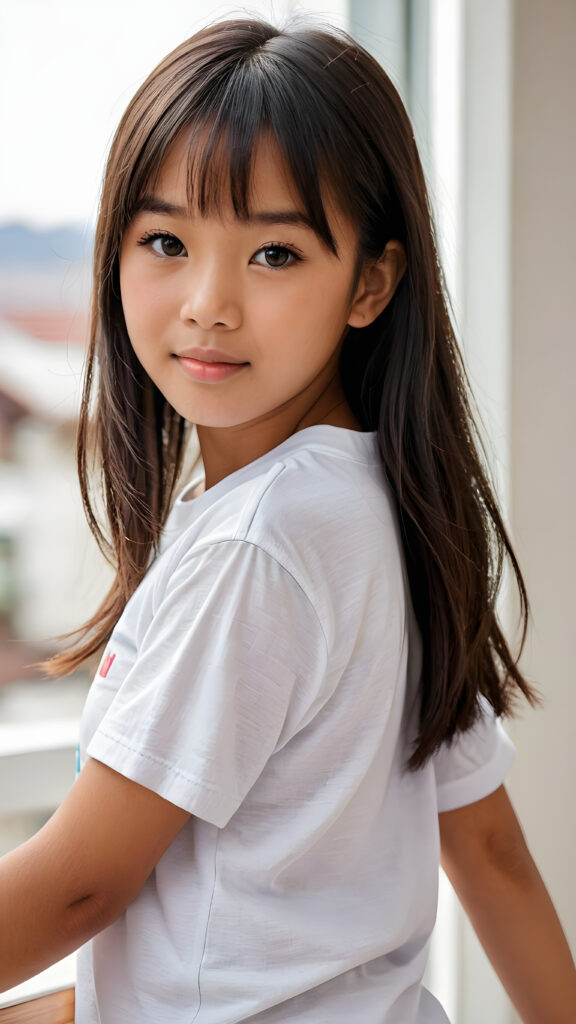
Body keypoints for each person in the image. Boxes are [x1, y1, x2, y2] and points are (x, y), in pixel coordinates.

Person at [0, 18, 575, 1024]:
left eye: (273, 252)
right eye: (166, 241)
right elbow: (489, 852)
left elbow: (83, 886)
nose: (209, 304)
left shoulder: (259, 545)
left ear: (371, 283)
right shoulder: (376, 504)